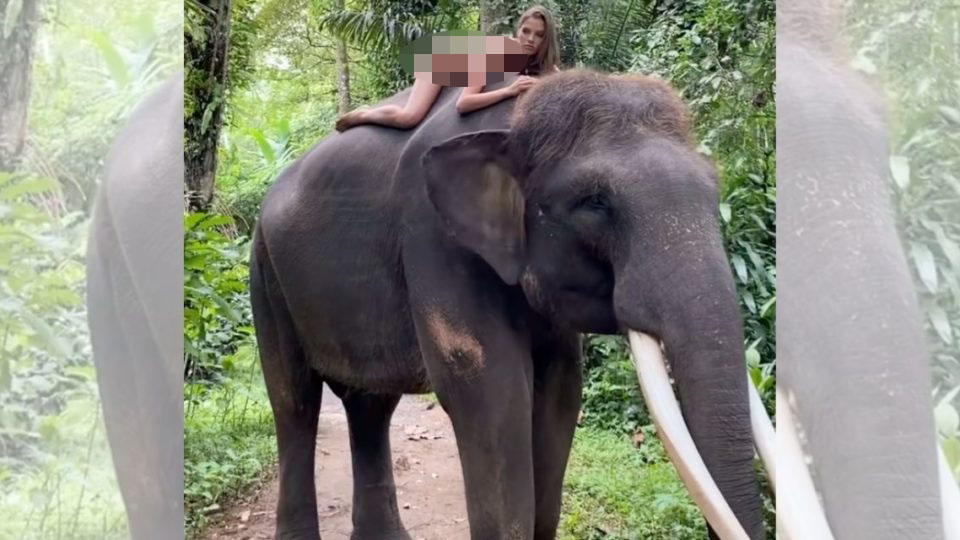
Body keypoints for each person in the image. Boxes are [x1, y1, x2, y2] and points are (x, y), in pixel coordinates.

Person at [334, 5, 560, 132]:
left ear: (546, 39)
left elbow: (564, 83)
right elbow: (463, 104)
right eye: (526, 31)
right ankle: (363, 114)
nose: (530, 39)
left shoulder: (542, 62)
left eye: (539, 35)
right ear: (517, 30)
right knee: (409, 117)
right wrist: (508, 91)